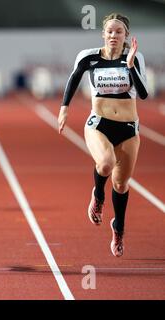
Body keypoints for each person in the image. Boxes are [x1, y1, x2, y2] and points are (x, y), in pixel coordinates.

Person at [57, 13, 148, 257]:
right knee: (105, 163)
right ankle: (98, 196)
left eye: (119, 32)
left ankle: (118, 227)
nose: (113, 36)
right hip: (99, 124)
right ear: (103, 34)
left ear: (125, 35)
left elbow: (144, 94)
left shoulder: (135, 57)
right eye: (109, 31)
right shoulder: (89, 57)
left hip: (128, 128)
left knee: (120, 184)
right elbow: (73, 78)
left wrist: (130, 66)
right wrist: (64, 109)